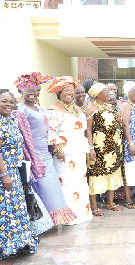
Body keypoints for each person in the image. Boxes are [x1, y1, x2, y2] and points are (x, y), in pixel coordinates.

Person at [15, 75, 77, 226]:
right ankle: (41, 223)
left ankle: (53, 220)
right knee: (42, 188)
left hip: (46, 154)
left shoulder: (38, 107)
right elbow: (22, 135)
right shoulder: (21, 109)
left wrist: (54, 147)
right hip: (33, 155)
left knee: (53, 186)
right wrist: (31, 156)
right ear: (20, 91)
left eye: (35, 90)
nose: (33, 93)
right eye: (28, 90)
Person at [47, 76, 93, 225]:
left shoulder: (78, 108)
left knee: (80, 183)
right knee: (67, 184)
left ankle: (82, 214)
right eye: (65, 91)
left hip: (79, 152)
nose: (69, 93)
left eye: (71, 90)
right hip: (64, 154)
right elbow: (51, 133)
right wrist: (57, 149)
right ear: (58, 93)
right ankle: (69, 218)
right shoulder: (54, 109)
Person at [0, 91, 39, 260]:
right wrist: (5, 175)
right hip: (4, 174)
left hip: (14, 173)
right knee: (6, 212)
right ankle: (7, 246)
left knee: (16, 211)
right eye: (4, 101)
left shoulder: (12, 120)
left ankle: (17, 243)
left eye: (11, 101)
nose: (8, 104)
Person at [86, 83, 125, 215]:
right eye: (106, 91)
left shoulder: (110, 107)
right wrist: (91, 148)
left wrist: (119, 120)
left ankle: (110, 202)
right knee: (96, 174)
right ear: (98, 94)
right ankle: (94, 206)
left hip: (113, 148)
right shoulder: (91, 109)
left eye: (109, 91)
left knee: (112, 173)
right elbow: (89, 130)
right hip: (99, 148)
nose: (109, 93)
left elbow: (118, 123)